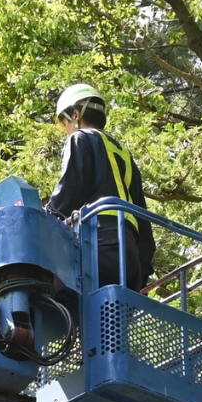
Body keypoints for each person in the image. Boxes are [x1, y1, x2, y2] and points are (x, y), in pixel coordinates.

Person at [45, 83, 155, 291]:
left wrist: (46, 218)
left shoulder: (80, 138)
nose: (66, 131)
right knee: (113, 320)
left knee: (60, 303)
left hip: (100, 244)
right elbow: (142, 215)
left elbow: (70, 190)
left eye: (65, 123)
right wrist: (144, 266)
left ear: (75, 115)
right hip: (129, 253)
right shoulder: (124, 154)